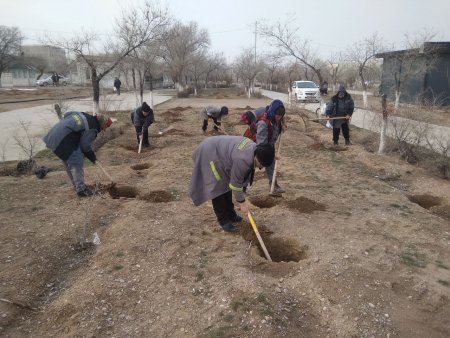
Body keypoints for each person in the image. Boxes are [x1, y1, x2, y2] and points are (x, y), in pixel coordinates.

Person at [189, 136, 275, 233]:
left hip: (219, 152)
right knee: (218, 187)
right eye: (262, 165)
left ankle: (231, 214)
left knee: (226, 184)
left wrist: (242, 196)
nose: (261, 168)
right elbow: (235, 185)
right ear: (258, 159)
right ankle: (223, 221)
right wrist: (242, 203)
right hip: (209, 154)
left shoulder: (254, 149)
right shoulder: (243, 159)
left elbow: (239, 179)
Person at [43, 111, 113, 197]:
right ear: (102, 123)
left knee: (68, 159)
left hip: (52, 136)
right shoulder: (93, 128)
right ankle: (81, 190)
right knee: (76, 159)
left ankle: (77, 185)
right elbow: (85, 146)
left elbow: (67, 114)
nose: (103, 129)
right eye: (105, 127)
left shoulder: (84, 115)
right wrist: (93, 157)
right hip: (64, 139)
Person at [243, 99, 286, 193]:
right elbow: (261, 146)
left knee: (271, 164)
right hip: (253, 143)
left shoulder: (277, 118)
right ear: (272, 112)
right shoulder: (263, 123)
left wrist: (283, 123)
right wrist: (270, 155)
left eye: (280, 116)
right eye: (277, 115)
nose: (278, 118)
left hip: (268, 144)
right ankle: (243, 188)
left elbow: (282, 117)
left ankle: (274, 185)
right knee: (249, 165)